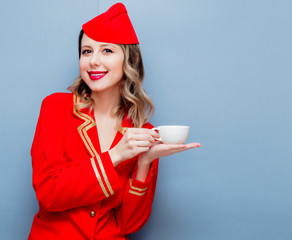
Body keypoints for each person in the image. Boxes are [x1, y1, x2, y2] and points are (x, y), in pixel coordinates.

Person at [28, 3, 201, 240]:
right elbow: (49, 193)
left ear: (129, 60)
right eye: (86, 51)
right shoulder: (56, 107)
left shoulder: (142, 132)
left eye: (107, 51)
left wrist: (145, 162)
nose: (93, 61)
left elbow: (130, 224)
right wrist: (116, 155)